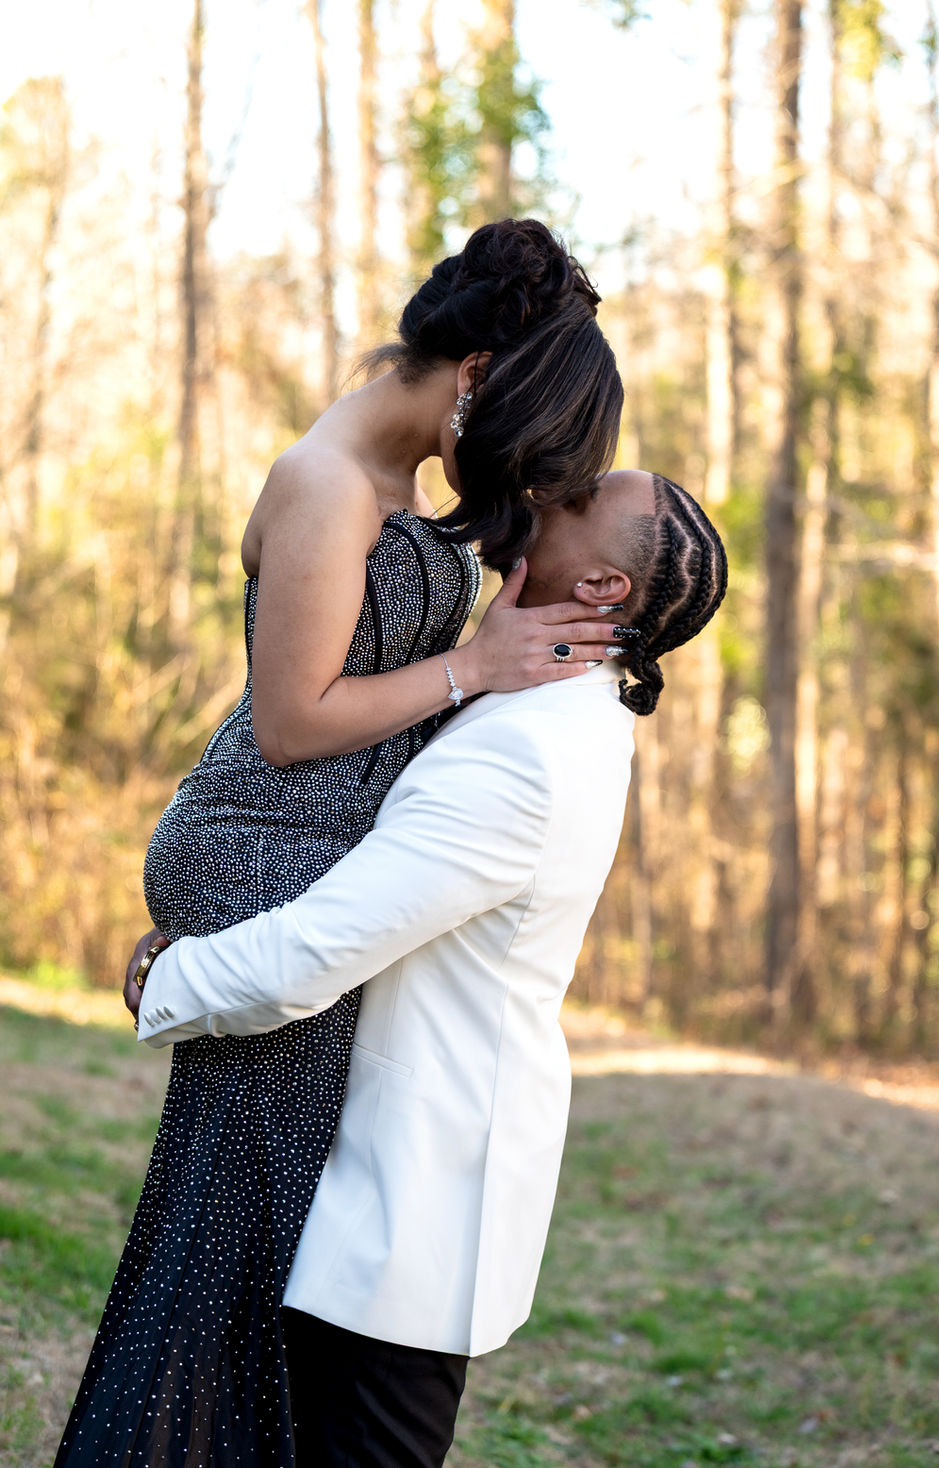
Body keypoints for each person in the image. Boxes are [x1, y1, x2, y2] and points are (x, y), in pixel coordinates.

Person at [54, 219, 624, 1468]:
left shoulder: (399, 483)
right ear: (476, 372)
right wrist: (472, 665)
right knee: (245, 1235)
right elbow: (293, 717)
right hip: (262, 835)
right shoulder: (321, 481)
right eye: (529, 437)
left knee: (280, 1226)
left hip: (323, 834)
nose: (527, 482)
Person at [125, 471, 728, 1468]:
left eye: (577, 501)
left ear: (604, 591)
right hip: (390, 1179)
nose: (547, 489)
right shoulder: (545, 702)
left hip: (408, 1207)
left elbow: (316, 953)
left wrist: (166, 977)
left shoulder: (530, 752)